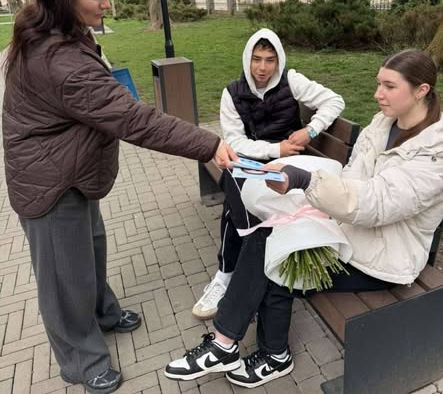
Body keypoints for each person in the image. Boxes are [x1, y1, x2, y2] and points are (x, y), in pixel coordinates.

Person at [2, 0, 236, 394]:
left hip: (70, 173)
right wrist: (209, 144)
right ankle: (81, 361)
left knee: (89, 252)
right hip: (49, 184)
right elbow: (134, 120)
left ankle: (103, 313)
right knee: (63, 277)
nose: (106, 4)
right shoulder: (59, 61)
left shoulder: (61, 34)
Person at [166, 49, 443, 388]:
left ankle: (268, 354)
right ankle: (229, 345)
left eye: (389, 86)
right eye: (378, 84)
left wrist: (307, 182)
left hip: (387, 257)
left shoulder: (435, 152)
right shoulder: (382, 123)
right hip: (350, 231)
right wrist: (311, 200)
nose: (377, 94)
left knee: (279, 260)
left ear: (421, 90)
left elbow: (377, 203)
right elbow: (352, 177)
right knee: (270, 234)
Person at [192, 28, 345, 319]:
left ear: (279, 60)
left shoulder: (292, 80)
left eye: (270, 60)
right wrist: (275, 149)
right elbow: (235, 142)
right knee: (233, 180)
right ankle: (233, 274)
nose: (262, 68)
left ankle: (228, 273)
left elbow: (334, 100)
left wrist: (311, 130)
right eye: (256, 59)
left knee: (232, 199)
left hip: (291, 166)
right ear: (247, 59)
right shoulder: (232, 93)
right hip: (252, 160)